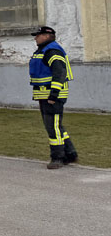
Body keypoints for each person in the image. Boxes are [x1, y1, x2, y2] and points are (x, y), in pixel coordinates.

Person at [28, 26, 78, 169]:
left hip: (52, 95)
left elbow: (59, 73)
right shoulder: (44, 50)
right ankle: (70, 153)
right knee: (56, 126)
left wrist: (54, 94)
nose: (35, 38)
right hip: (44, 95)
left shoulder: (52, 51)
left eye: (37, 35)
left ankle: (57, 158)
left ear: (46, 36)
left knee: (53, 127)